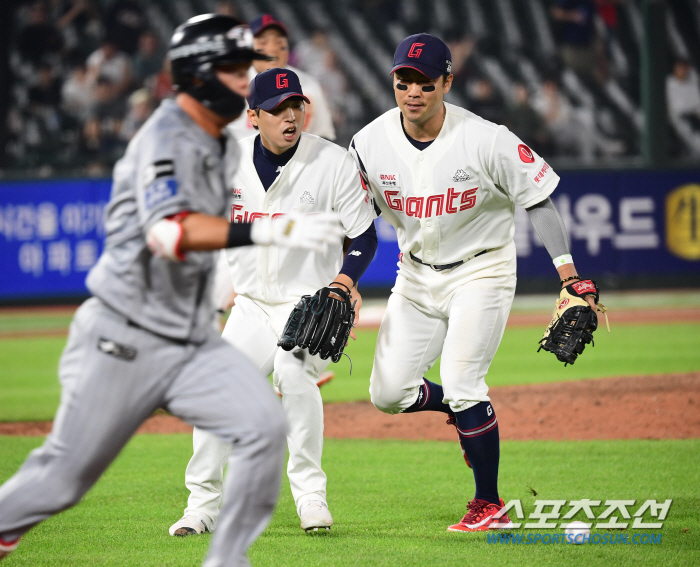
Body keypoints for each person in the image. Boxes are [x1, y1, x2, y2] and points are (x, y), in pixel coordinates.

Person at [0, 14, 342, 565]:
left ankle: (223, 542)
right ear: (197, 75)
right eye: (231, 69)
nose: (242, 76)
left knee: (257, 424)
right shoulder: (169, 137)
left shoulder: (219, 139)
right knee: (64, 477)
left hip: (179, 327)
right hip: (127, 328)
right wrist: (266, 230)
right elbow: (170, 230)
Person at [349, 33, 597, 532]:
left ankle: (489, 504)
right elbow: (351, 221)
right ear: (392, 82)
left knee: (465, 381)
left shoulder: (485, 138)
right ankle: (463, 414)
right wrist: (342, 280)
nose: (413, 92)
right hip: (415, 276)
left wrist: (570, 275)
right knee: (388, 393)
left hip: (483, 271)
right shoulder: (368, 143)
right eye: (404, 81)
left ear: (447, 82)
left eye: (424, 82)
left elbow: (539, 199)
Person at [169, 68, 377, 537]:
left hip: (307, 303)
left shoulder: (333, 162)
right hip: (251, 306)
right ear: (252, 116)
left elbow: (364, 236)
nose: (290, 115)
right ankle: (202, 506)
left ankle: (310, 498)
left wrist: (344, 282)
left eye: (296, 106)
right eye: (278, 108)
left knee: (292, 374)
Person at [228, 13, 336, 141]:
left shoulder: (309, 85)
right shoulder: (232, 84)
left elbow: (324, 136)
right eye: (263, 42)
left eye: (279, 42)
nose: (272, 48)